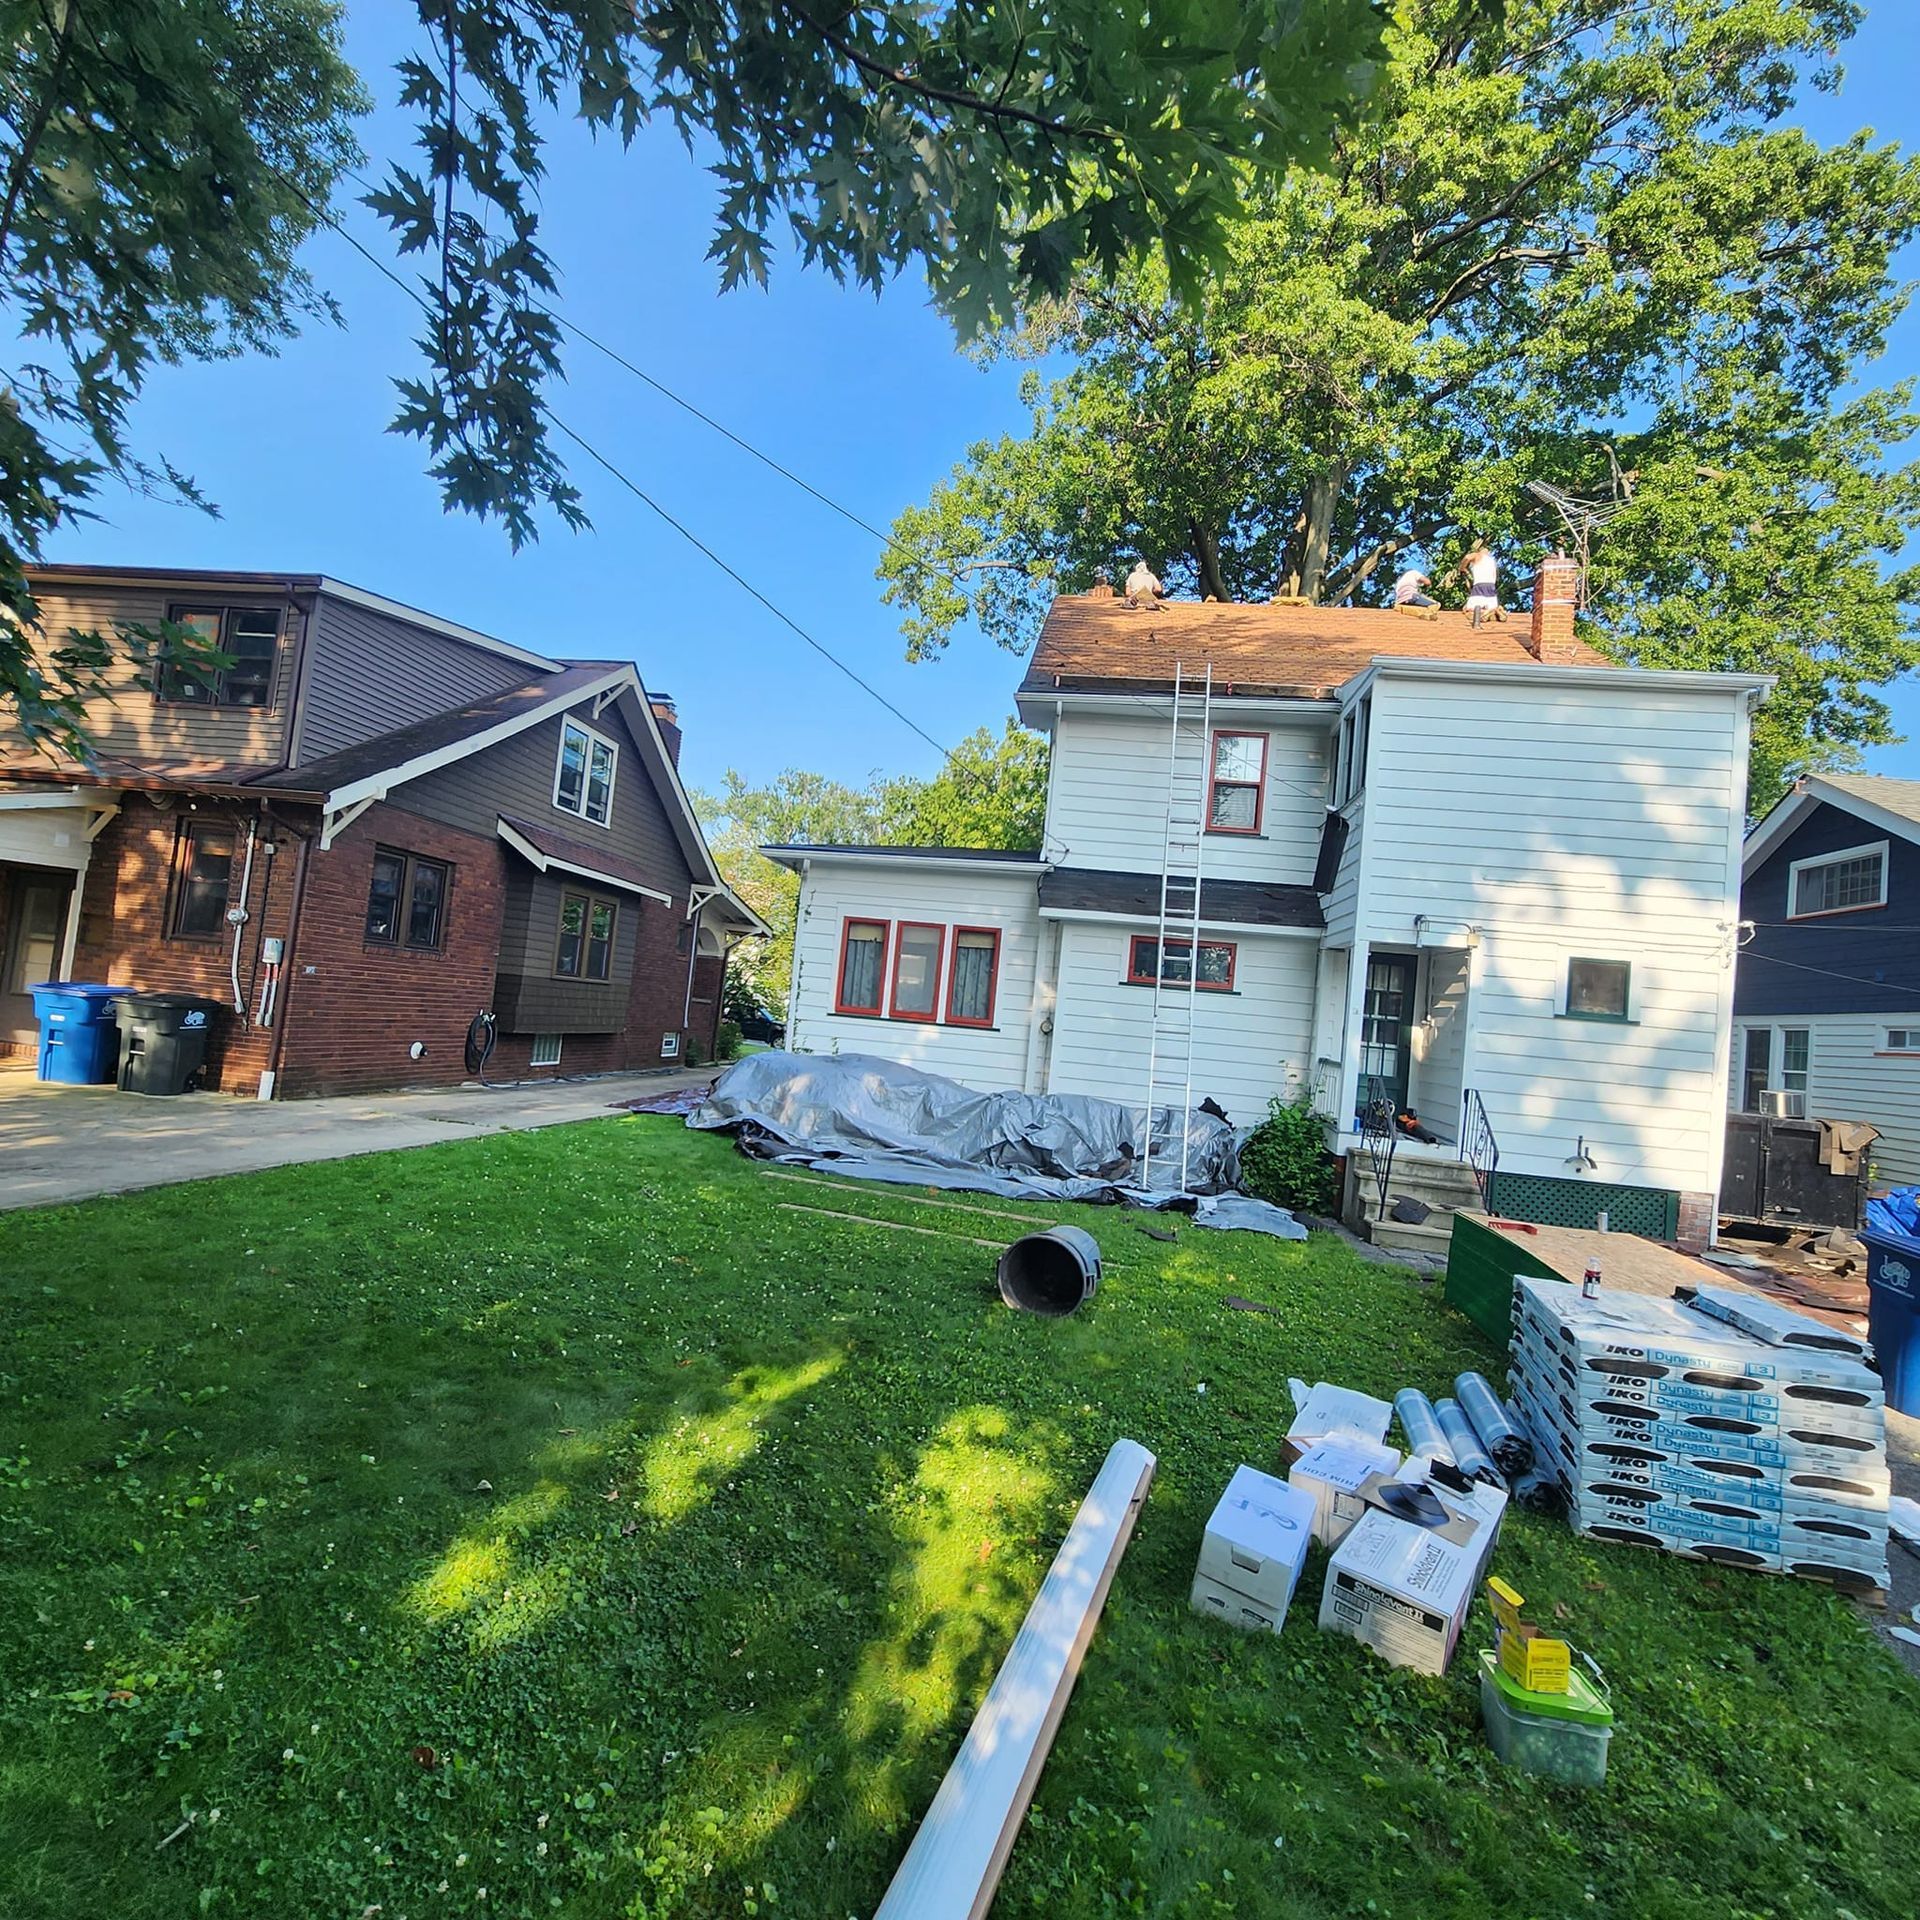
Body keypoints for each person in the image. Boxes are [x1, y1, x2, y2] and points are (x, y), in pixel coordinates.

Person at [1456, 540, 1503, 625]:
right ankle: (1494, 611)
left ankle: (1486, 614)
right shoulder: (1492, 561)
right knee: (1492, 607)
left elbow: (1467, 557)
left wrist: (1462, 568)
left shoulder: (1478, 555)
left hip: (1480, 585)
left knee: (1468, 610)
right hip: (1491, 587)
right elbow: (1495, 577)